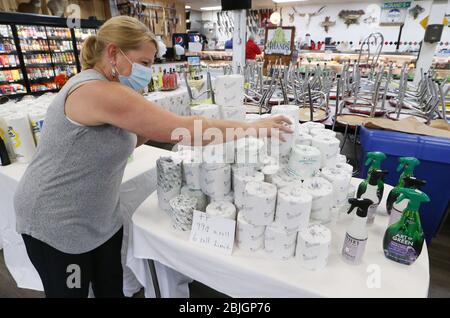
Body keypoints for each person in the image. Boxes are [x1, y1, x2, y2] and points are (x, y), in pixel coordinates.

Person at [13, 16, 291, 298]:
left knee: (111, 290)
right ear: (113, 53)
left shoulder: (115, 90)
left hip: (99, 219)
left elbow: (140, 134)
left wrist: (165, 124)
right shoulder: (96, 91)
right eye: (144, 63)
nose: (148, 71)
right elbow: (184, 131)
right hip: (57, 221)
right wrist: (250, 129)